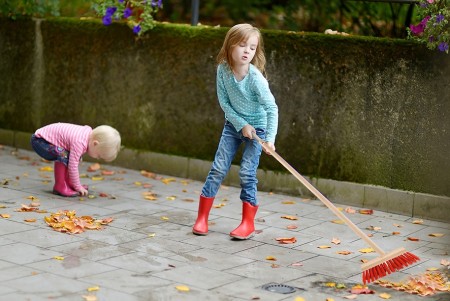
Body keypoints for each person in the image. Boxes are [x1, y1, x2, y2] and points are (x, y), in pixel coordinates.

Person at [193, 23, 279, 240]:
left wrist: (269, 139)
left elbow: (272, 108)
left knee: (247, 173)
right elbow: (224, 103)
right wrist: (241, 124)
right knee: (218, 169)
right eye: (242, 45)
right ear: (230, 46)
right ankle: (202, 218)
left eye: (252, 47)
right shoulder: (222, 69)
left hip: (258, 129)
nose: (247, 51)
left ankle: (247, 223)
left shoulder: (255, 78)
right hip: (233, 125)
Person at [30, 123, 121, 197]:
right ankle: (60, 186)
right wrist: (78, 187)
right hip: (40, 140)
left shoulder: (86, 135)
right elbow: (72, 166)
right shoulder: (80, 142)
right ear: (95, 143)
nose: (97, 158)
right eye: (99, 155)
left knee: (69, 156)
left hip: (45, 140)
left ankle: (69, 184)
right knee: (65, 156)